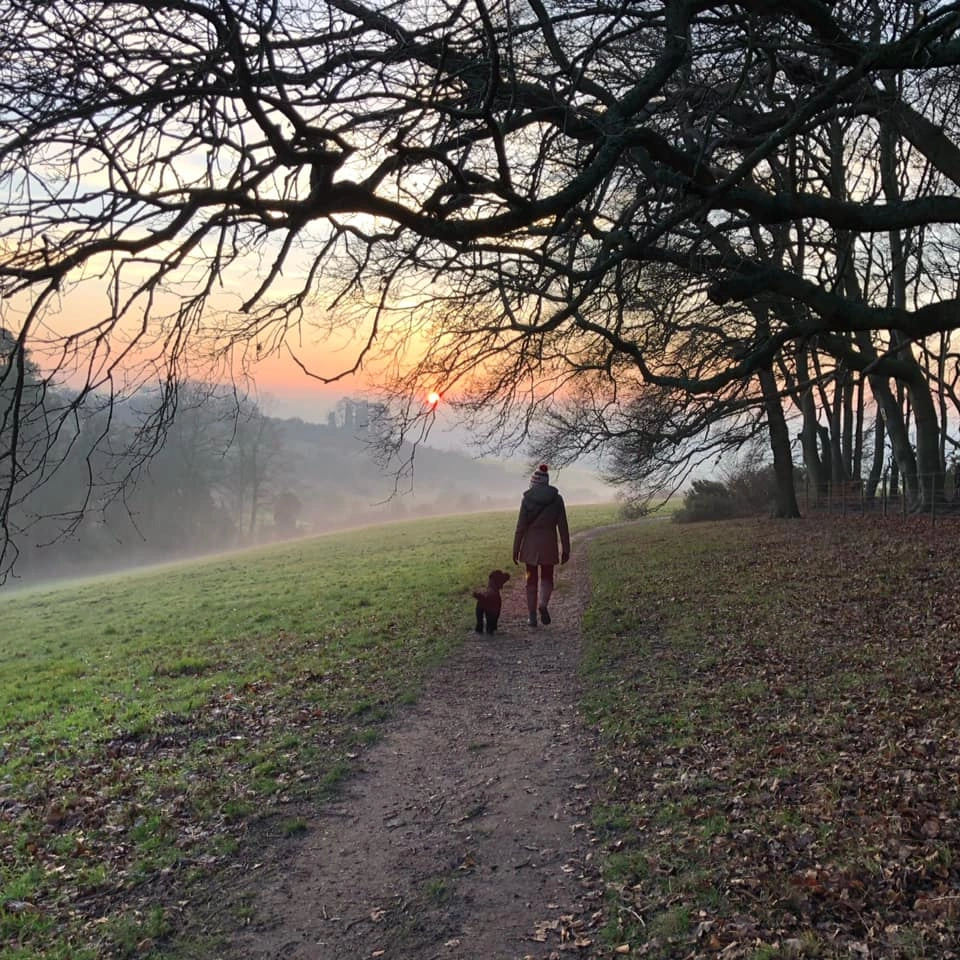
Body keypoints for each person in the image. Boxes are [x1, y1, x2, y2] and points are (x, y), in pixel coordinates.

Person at [512, 464, 570, 627]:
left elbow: (520, 526)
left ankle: (532, 617)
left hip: (530, 544)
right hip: (549, 543)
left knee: (530, 579)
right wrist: (566, 549)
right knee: (547, 577)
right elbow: (563, 526)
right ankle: (543, 604)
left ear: (534, 482)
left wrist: (516, 549)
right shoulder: (557, 499)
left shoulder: (527, 499)